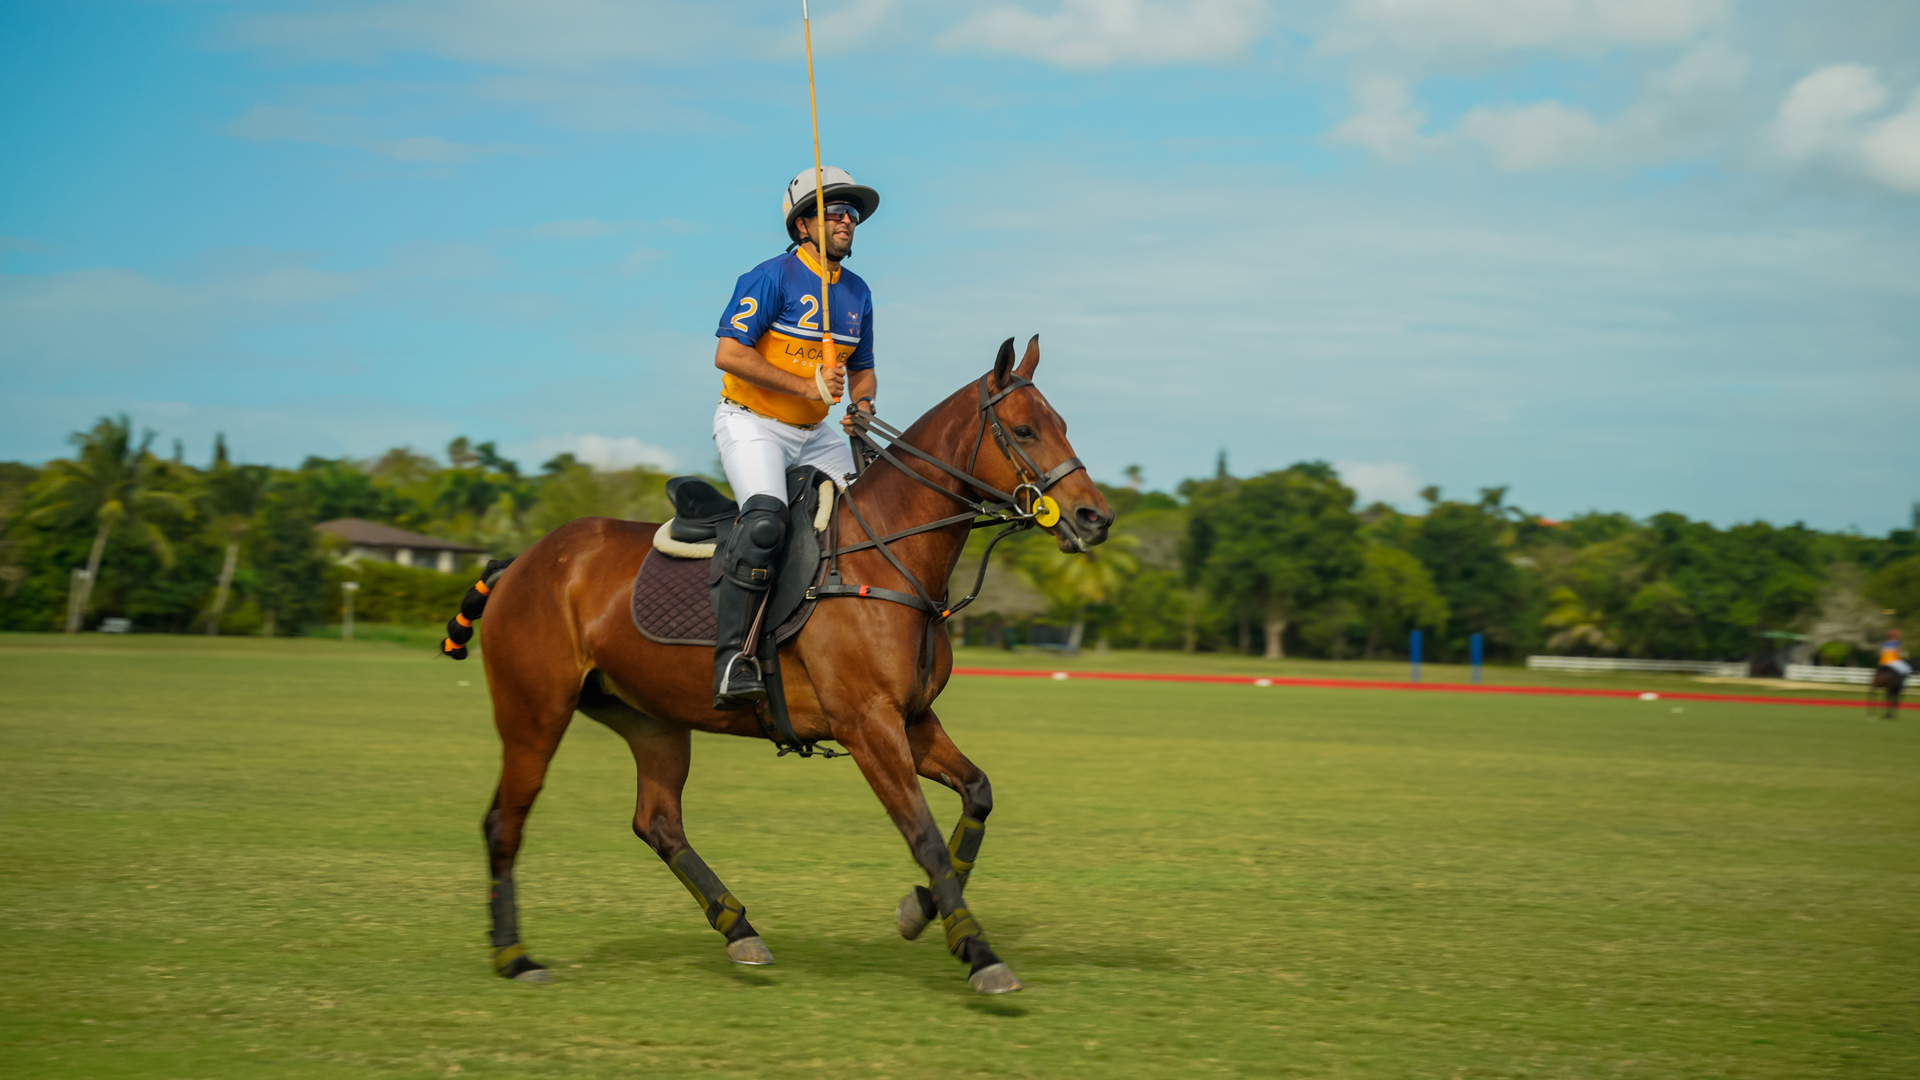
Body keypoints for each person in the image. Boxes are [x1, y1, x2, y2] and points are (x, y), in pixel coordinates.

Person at [707, 165, 881, 710]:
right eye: (835, 212)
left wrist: (863, 404)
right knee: (764, 524)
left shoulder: (856, 292)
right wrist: (805, 383)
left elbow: (864, 368)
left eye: (852, 214)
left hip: (815, 432)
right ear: (803, 224)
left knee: (880, 514)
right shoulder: (770, 277)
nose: (847, 221)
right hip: (752, 422)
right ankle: (734, 659)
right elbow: (728, 355)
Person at [1875, 628, 1908, 719]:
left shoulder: (1884, 643)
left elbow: (1881, 653)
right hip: (1893, 663)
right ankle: (1901, 685)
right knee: (1906, 669)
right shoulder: (1897, 643)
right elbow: (1898, 654)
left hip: (1882, 663)